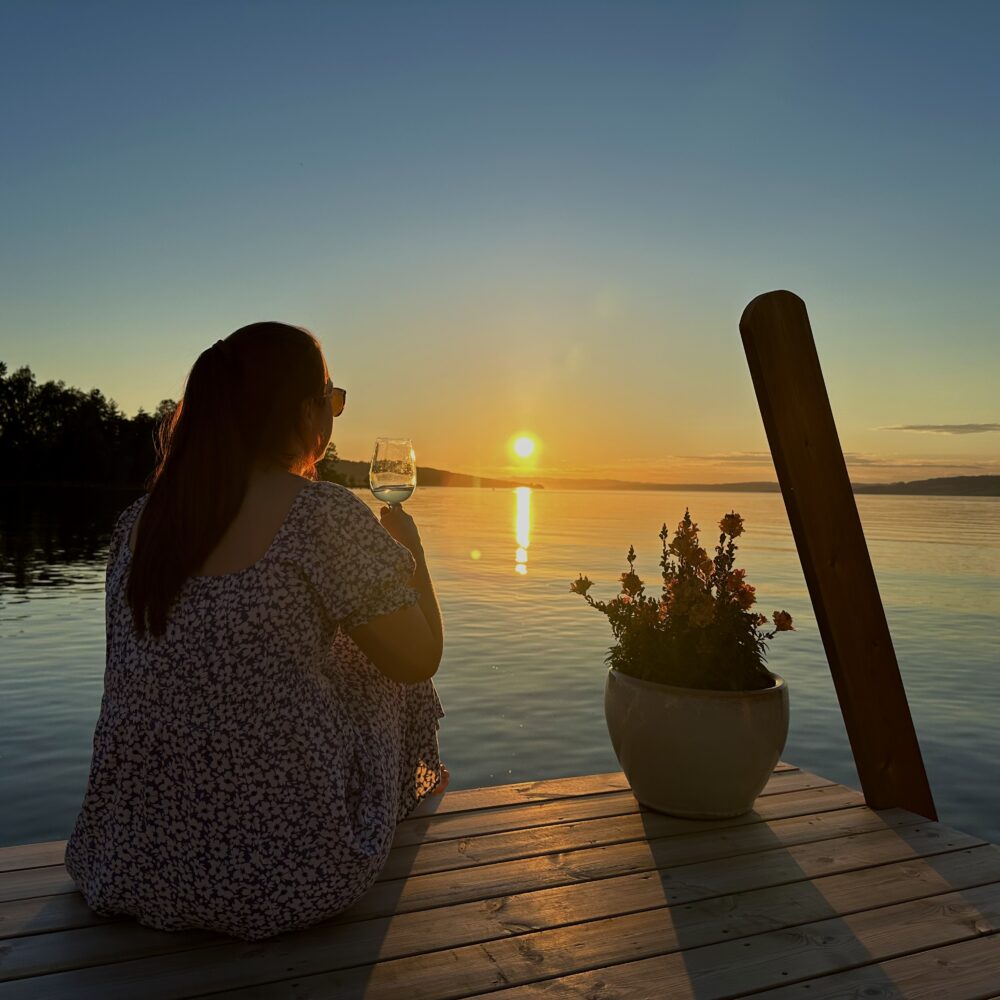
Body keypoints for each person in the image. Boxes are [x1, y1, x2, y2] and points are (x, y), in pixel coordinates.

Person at [65, 322, 445, 941]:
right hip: (281, 876)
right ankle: (401, 797)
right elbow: (420, 657)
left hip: (128, 864)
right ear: (305, 413)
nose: (336, 411)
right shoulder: (319, 513)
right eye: (333, 397)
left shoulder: (139, 522)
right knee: (382, 667)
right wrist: (412, 554)